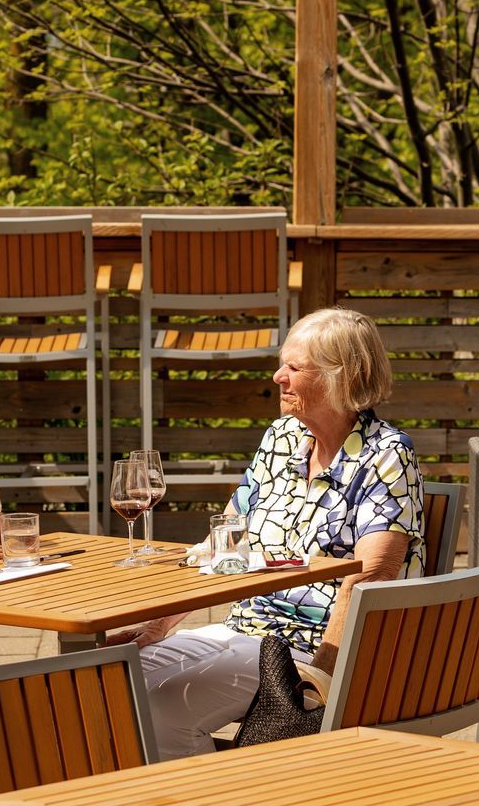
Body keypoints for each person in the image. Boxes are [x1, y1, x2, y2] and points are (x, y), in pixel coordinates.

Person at [109, 307, 424, 759]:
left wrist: (323, 681)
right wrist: (159, 623)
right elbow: (225, 543)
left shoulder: (386, 454)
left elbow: (371, 577)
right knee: (111, 680)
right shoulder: (280, 438)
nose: (278, 377)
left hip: (308, 647)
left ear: (342, 378)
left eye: (294, 368)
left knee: (161, 710)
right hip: (247, 629)